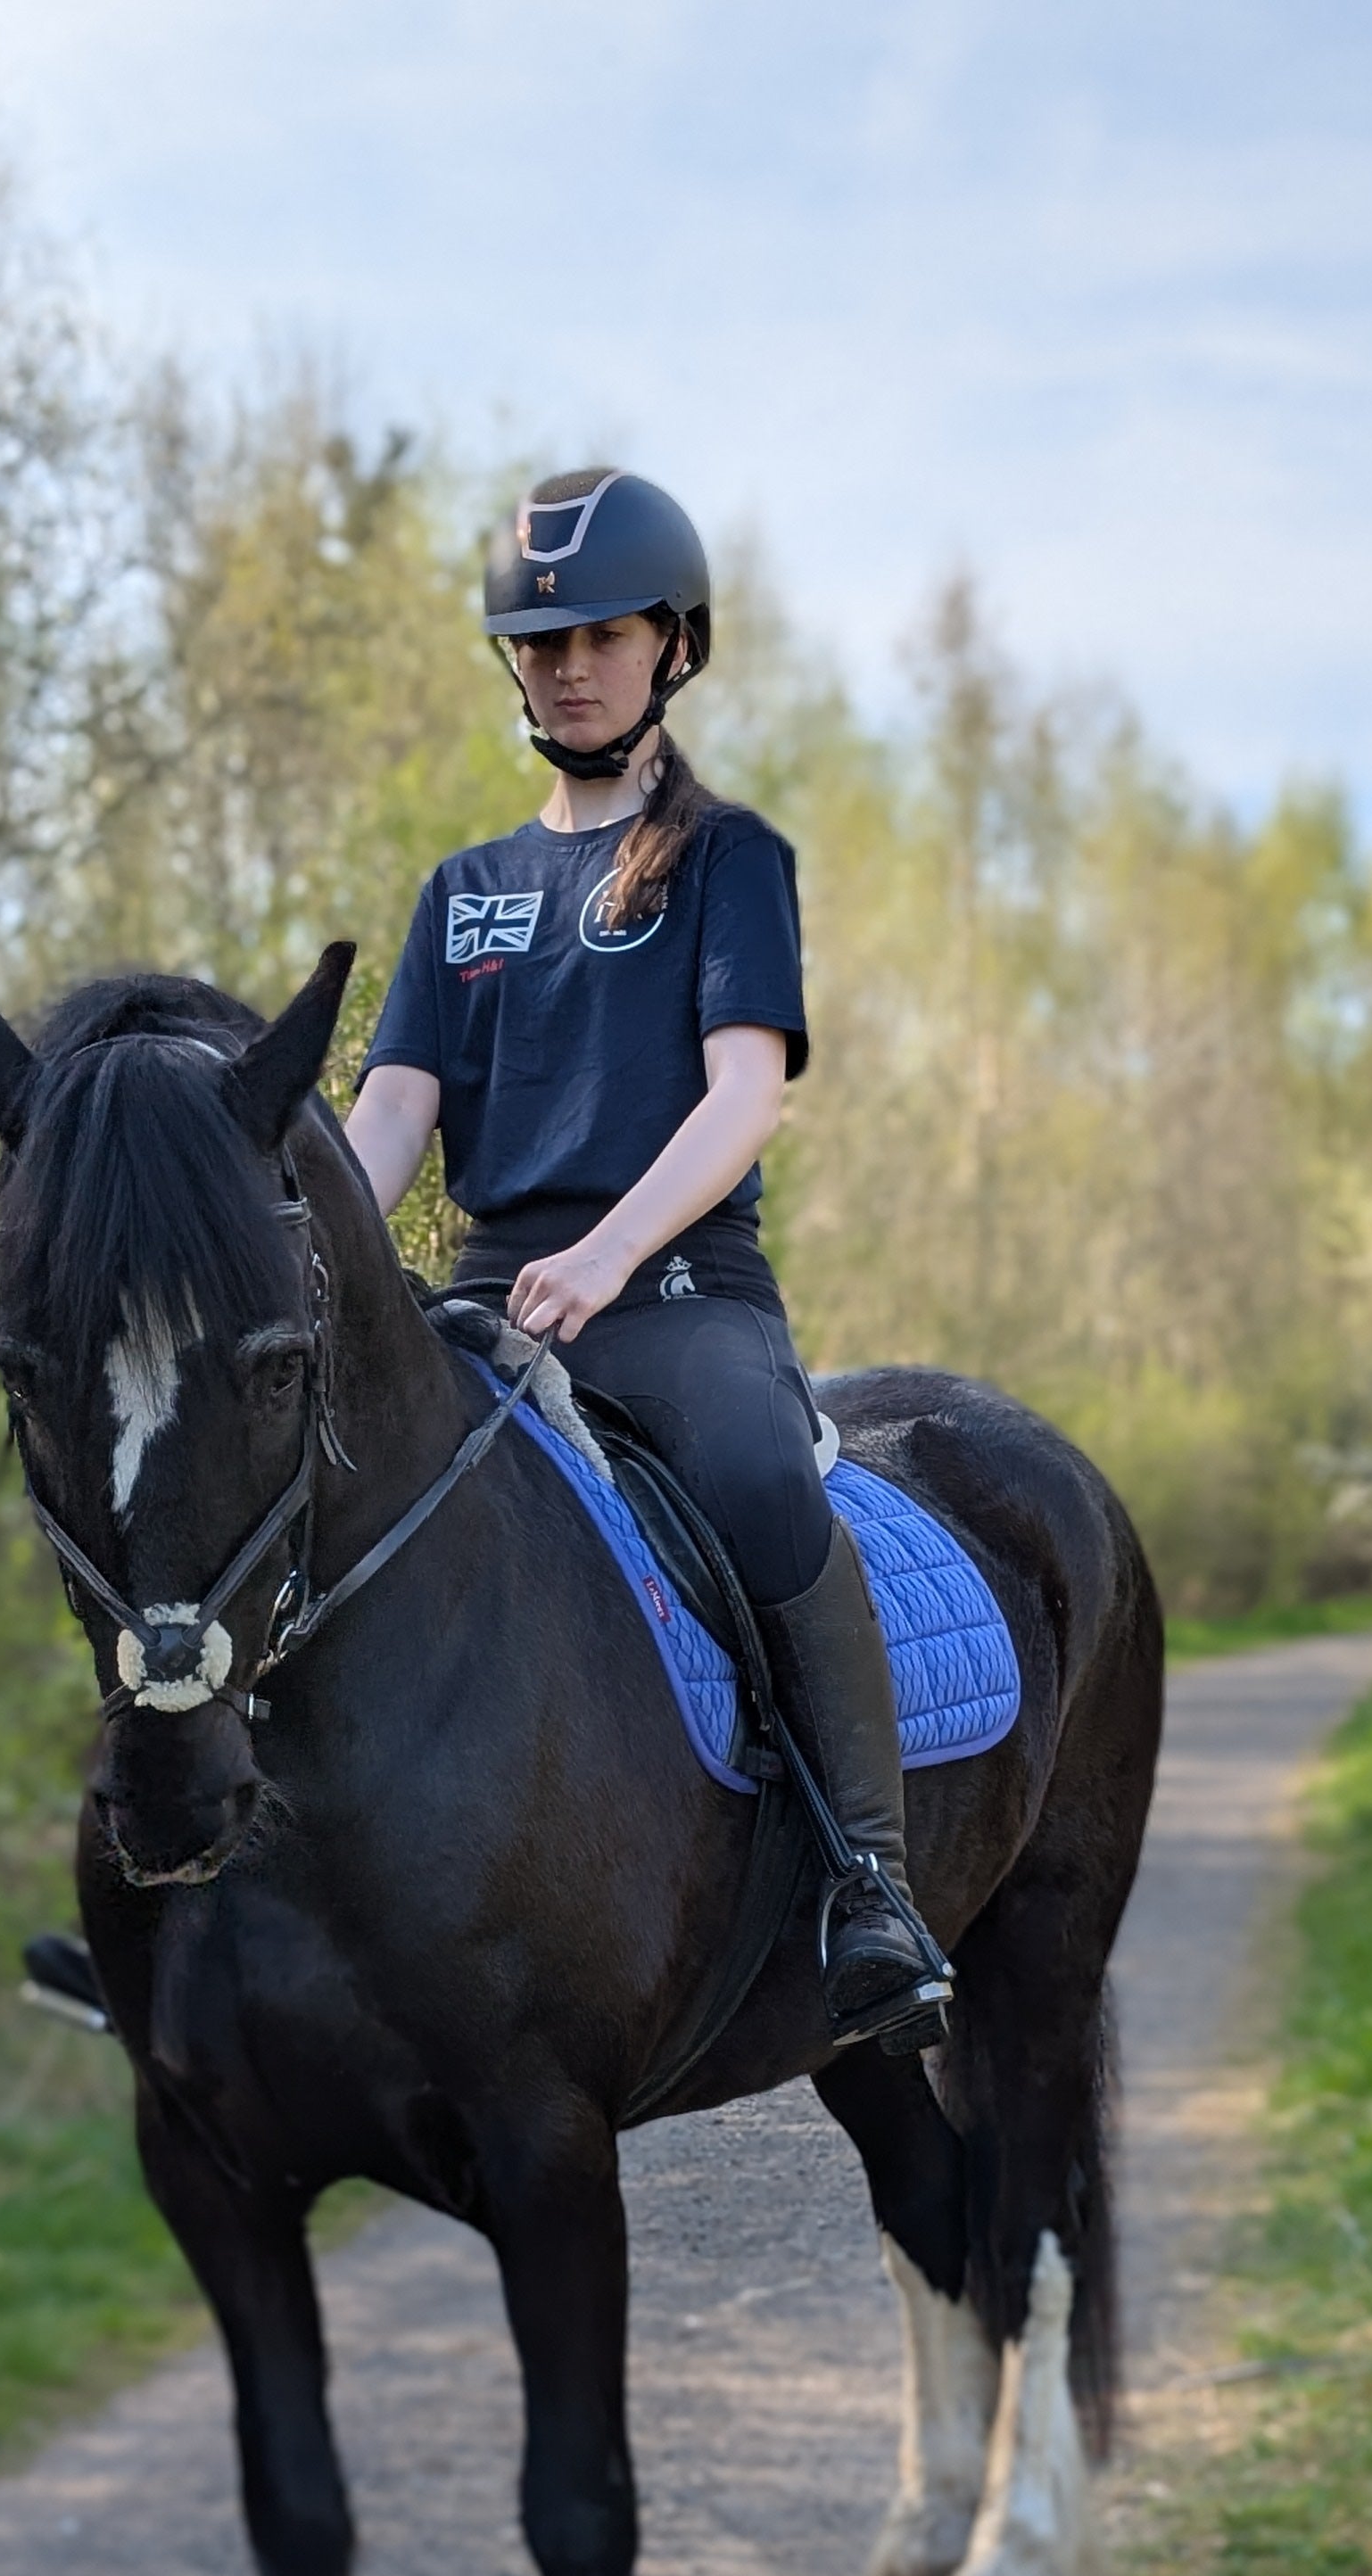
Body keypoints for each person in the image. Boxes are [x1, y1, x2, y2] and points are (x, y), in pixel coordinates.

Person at [346, 467, 952, 2052]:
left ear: (674, 644)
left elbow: (743, 1093)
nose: (566, 664)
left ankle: (871, 1886)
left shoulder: (726, 859)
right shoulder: (462, 895)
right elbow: (391, 1112)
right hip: (492, 1295)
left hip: (675, 1295)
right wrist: (325, 1276)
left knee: (761, 1477)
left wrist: (609, 1257)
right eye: (537, 641)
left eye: (599, 634)